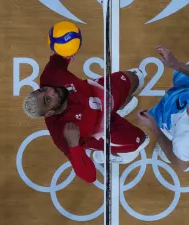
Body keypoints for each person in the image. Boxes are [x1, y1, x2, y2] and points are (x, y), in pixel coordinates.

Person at [22, 53, 149, 183]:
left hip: (101, 93)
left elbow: (61, 51)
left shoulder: (51, 75)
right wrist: (74, 145)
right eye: (48, 99)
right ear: (49, 113)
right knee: (142, 142)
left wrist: (69, 46)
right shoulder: (62, 134)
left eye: (43, 90)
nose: (51, 91)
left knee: (137, 77)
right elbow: (89, 177)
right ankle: (107, 155)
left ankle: (119, 108)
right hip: (105, 128)